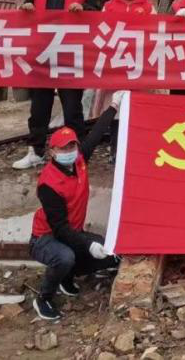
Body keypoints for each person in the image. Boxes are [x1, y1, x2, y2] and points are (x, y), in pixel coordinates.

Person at [13, 0, 101, 171]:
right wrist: (27, 7)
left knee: (72, 108)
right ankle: (36, 151)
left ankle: (76, 153)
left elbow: (96, 12)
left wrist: (84, 8)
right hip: (43, 53)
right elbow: (28, 7)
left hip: (70, 53)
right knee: (39, 108)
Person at [30, 121, 120, 321]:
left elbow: (95, 135)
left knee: (109, 252)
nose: (69, 151)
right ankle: (44, 298)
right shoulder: (49, 183)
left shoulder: (79, 161)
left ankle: (66, 277)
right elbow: (60, 229)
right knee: (65, 257)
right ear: (52, 152)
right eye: (63, 148)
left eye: (72, 146)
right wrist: (87, 244)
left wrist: (114, 107)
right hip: (46, 238)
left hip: (72, 233)